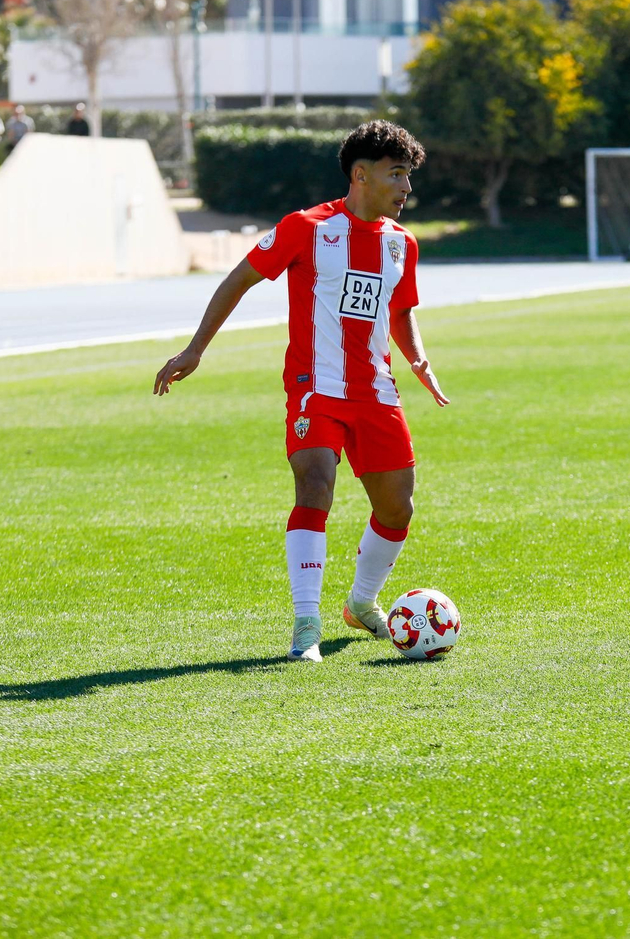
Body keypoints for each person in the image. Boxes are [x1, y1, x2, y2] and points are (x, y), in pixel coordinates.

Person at [153, 121, 449, 663]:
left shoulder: (400, 243)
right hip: (316, 388)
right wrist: (196, 349)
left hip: (376, 391)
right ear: (361, 175)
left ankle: (361, 603)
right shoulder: (306, 228)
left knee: (397, 509)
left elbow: (400, 310)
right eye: (397, 174)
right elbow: (238, 279)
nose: (407, 186)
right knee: (314, 485)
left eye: (408, 175)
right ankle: (306, 624)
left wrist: (417, 358)